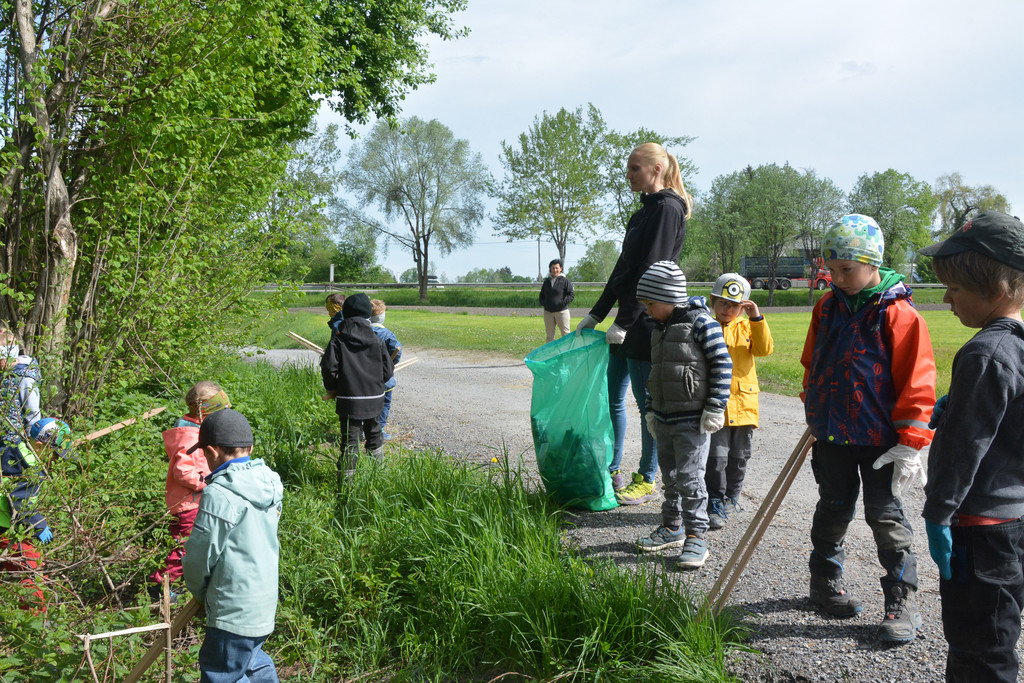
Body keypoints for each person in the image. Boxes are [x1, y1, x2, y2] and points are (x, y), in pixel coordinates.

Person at [801, 214, 935, 643]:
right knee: (833, 508)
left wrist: (911, 443)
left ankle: (902, 600)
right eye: (832, 270)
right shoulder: (826, 306)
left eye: (847, 270)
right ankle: (824, 583)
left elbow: (918, 379)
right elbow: (812, 361)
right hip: (834, 435)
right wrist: (813, 403)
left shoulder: (899, 313)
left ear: (873, 263)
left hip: (882, 442)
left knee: (887, 518)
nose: (838, 278)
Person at [919, 211, 1024, 682]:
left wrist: (938, 511)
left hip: (977, 527)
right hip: (1012, 521)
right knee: (998, 631)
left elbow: (964, 448)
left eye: (956, 290)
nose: (945, 300)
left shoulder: (986, 352)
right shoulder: (1016, 347)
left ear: (998, 288)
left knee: (977, 646)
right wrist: (963, 401)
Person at [576, 142, 692, 506]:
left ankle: (646, 477)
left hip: (646, 322)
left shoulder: (669, 209)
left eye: (634, 169)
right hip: (624, 324)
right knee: (611, 399)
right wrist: (598, 312)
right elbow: (623, 269)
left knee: (647, 406)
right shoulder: (642, 212)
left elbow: (651, 270)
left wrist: (624, 322)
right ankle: (611, 467)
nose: (628, 175)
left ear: (656, 168)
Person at [634, 261, 731, 570]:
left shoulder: (702, 324)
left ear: (669, 297)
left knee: (691, 479)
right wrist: (650, 410)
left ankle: (697, 537)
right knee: (671, 478)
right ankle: (672, 527)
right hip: (663, 419)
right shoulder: (659, 330)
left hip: (692, 421)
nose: (647, 310)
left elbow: (722, 365)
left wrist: (716, 406)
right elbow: (655, 374)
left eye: (651, 303)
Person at [183, 408, 283, 683]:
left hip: (232, 607)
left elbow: (199, 557)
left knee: (222, 672)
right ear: (249, 447)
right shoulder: (271, 482)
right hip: (263, 604)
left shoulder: (220, 493)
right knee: (252, 662)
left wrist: (200, 592)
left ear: (212, 453)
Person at [704, 273, 774, 529]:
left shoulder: (747, 326)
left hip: (744, 404)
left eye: (734, 305)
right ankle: (715, 501)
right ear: (713, 301)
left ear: (742, 306)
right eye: (723, 303)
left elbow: (764, 349)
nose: (728, 309)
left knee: (740, 456)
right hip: (717, 405)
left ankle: (732, 496)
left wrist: (755, 318)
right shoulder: (705, 325)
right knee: (716, 458)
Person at [149, 381, 231, 597]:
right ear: (206, 413)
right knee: (183, 546)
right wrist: (209, 481)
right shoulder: (189, 437)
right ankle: (161, 586)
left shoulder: (196, 430)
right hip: (187, 503)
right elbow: (183, 472)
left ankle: (182, 580)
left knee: (192, 542)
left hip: (193, 501)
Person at [320, 293, 394, 483]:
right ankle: (379, 477)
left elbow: (328, 367)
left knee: (350, 442)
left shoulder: (339, 339)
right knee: (374, 435)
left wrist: (334, 388)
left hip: (349, 402)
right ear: (368, 316)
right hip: (375, 399)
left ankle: (347, 486)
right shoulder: (377, 340)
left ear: (345, 315)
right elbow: (388, 371)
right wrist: (377, 384)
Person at [370, 299, 402, 439]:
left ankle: (366, 428)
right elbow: (397, 350)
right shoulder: (387, 334)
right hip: (384, 377)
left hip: (365, 377)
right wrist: (391, 364)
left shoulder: (362, 332)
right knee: (384, 404)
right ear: (382, 317)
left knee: (369, 403)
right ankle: (379, 430)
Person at [539, 259, 575, 342]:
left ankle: (567, 353)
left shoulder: (565, 281)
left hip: (562, 312)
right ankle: (550, 354)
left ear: (561, 269)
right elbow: (542, 295)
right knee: (549, 336)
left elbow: (571, 295)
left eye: (556, 268)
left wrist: (561, 303)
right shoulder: (547, 282)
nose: (555, 270)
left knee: (566, 334)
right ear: (550, 269)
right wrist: (544, 303)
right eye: (552, 268)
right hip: (548, 313)